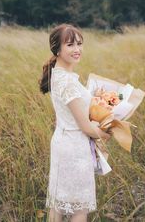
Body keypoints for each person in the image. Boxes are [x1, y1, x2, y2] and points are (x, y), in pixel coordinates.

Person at [38, 23, 111, 222]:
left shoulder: (60, 75)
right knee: (79, 208)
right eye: (70, 45)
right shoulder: (67, 81)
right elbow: (85, 127)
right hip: (74, 148)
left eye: (79, 44)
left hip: (63, 142)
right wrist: (109, 130)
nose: (77, 49)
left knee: (58, 203)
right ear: (57, 49)